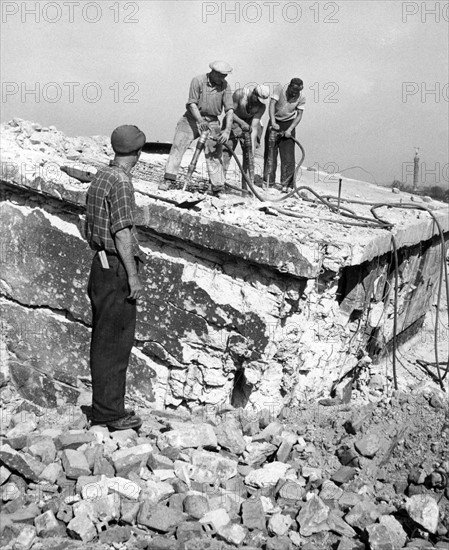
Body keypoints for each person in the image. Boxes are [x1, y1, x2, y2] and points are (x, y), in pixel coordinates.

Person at [85, 124, 146, 431]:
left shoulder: (102, 175)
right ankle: (110, 413)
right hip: (115, 267)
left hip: (99, 266)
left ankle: (105, 407)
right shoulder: (121, 182)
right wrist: (133, 278)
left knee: (102, 338)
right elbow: (121, 231)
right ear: (137, 152)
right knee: (116, 342)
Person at [159, 61, 234, 197]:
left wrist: (227, 130)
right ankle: (169, 179)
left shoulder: (225, 86)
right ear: (214, 73)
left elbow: (229, 110)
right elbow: (192, 103)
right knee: (178, 146)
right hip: (191, 119)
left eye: (225, 76)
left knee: (214, 154)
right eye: (221, 76)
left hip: (212, 121)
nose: (224, 79)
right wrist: (200, 120)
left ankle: (217, 188)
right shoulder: (198, 80)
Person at [222, 84, 270, 189]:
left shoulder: (262, 107)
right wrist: (241, 122)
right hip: (233, 120)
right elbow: (230, 112)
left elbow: (254, 127)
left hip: (248, 125)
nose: (257, 102)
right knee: (226, 151)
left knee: (249, 156)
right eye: (257, 99)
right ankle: (218, 184)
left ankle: (246, 188)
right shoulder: (240, 94)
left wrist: (252, 148)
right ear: (253, 93)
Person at [263, 78, 305, 188]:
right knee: (270, 154)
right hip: (275, 121)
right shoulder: (280, 88)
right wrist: (272, 122)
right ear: (289, 87)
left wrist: (290, 129)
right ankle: (268, 182)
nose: (294, 94)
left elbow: (299, 115)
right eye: (292, 91)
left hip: (288, 124)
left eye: (296, 93)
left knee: (288, 156)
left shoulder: (302, 97)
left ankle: (287, 184)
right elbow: (272, 104)